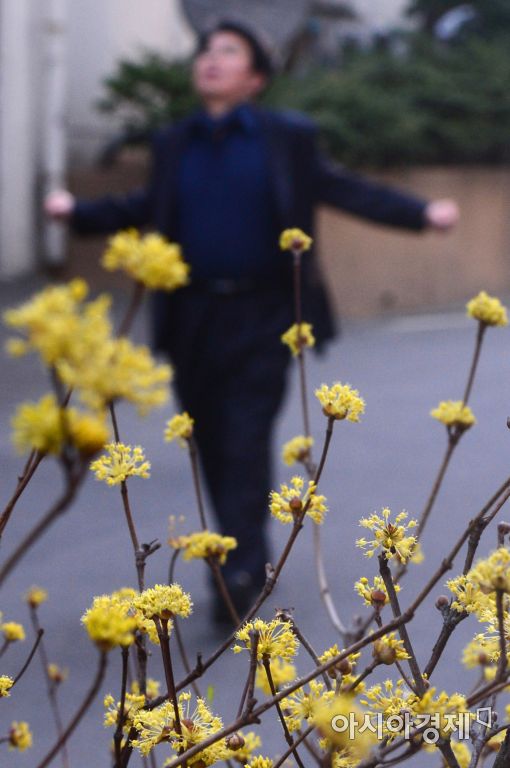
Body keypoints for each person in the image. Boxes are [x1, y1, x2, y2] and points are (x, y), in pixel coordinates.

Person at [46, 19, 459, 622]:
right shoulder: (175, 142)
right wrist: (78, 213)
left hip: (265, 314)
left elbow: (342, 188)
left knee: (244, 437)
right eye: (206, 51)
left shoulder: (285, 136)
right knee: (208, 439)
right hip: (190, 315)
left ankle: (240, 571)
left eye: (229, 52)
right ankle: (236, 554)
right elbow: (146, 206)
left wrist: (422, 213)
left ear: (256, 77)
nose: (211, 60)